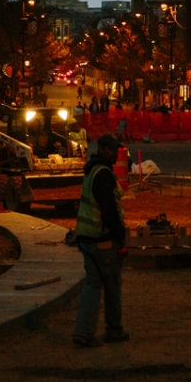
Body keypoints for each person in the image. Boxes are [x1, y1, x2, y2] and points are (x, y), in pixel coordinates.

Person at [73, 133, 128, 347]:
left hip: (86, 238)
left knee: (92, 285)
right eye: (112, 149)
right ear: (101, 149)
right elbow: (109, 211)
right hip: (102, 240)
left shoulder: (91, 170)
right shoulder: (104, 174)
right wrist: (120, 238)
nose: (116, 153)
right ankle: (114, 330)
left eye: (117, 149)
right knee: (112, 285)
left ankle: (83, 332)